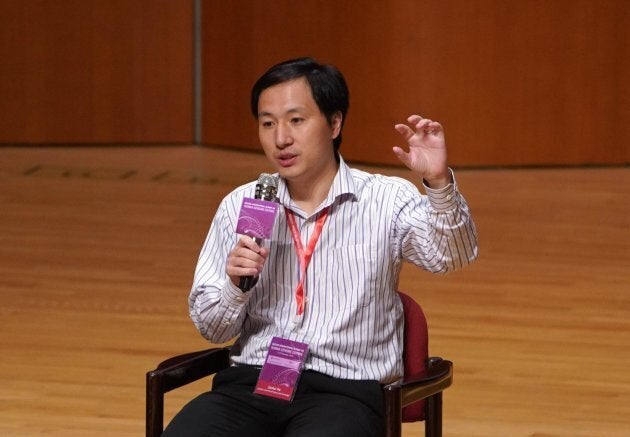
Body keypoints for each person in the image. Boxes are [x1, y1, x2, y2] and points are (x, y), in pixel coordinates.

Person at [163, 57, 478, 437]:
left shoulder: (385, 199)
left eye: (296, 120)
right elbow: (212, 329)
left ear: (334, 123)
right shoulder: (244, 204)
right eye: (268, 123)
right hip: (252, 384)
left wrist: (439, 182)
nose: (281, 138)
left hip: (343, 392)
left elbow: (452, 255)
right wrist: (234, 286)